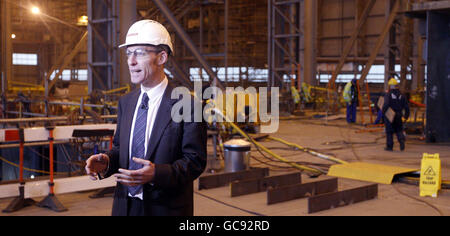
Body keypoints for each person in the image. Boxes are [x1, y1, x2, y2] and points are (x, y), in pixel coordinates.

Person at [85, 20, 207, 216]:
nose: (131, 61)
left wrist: (156, 174)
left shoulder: (188, 105)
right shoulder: (126, 103)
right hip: (125, 207)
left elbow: (195, 162)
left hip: (165, 209)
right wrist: (107, 161)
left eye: (139, 53)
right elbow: (120, 149)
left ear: (162, 57)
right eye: (128, 53)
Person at [382, 78, 410, 151]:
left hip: (390, 115)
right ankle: (401, 141)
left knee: (389, 131)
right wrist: (406, 116)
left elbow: (386, 105)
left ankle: (390, 146)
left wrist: (383, 112)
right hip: (398, 115)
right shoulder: (402, 95)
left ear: (390, 86)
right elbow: (406, 107)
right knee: (399, 129)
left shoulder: (388, 94)